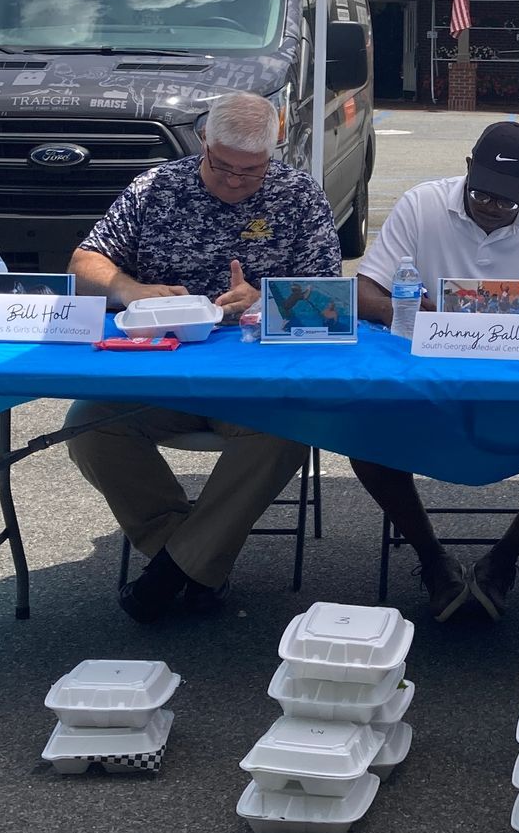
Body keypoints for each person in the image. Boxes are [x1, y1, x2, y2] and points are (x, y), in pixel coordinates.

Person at [66, 92, 341, 623]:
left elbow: (330, 299)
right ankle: (191, 559)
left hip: (255, 385)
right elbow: (85, 260)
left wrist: (266, 301)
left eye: (252, 171)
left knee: (290, 432)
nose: (236, 181)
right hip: (158, 376)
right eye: (223, 166)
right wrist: (129, 288)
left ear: (274, 153)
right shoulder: (156, 188)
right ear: (203, 143)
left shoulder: (298, 196)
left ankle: (172, 571)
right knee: (88, 425)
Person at [350, 121, 519, 623]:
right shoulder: (422, 206)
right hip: (422, 388)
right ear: (467, 168)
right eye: (482, 194)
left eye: (506, 201)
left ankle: (504, 559)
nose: (492, 207)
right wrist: (410, 311)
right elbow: (363, 293)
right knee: (358, 421)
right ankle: (432, 561)